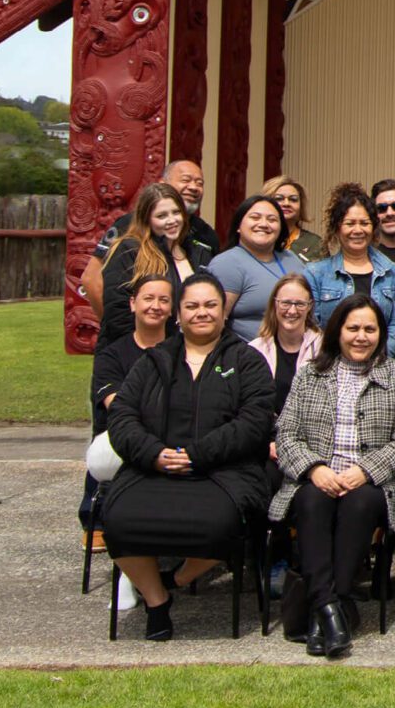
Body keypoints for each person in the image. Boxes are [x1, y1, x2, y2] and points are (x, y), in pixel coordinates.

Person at [99, 273, 275, 642]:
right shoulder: (153, 362)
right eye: (192, 306)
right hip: (153, 469)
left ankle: (176, 579)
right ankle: (156, 600)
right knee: (116, 521)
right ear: (177, 314)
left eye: (210, 305)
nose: (202, 313)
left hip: (224, 472)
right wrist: (155, 454)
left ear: (224, 312)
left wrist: (196, 455)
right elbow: (123, 417)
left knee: (220, 526)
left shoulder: (247, 360)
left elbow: (254, 423)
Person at [268, 294, 395, 658]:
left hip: (374, 485)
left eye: (370, 329)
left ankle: (321, 612)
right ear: (337, 331)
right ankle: (332, 610)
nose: (361, 336)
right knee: (310, 500)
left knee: (359, 503)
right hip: (316, 477)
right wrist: (315, 468)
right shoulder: (310, 374)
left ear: (381, 334)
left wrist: (365, 470)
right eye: (352, 328)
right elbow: (286, 433)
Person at [87, 274, 173, 531]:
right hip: (127, 438)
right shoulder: (112, 355)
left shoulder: (183, 350)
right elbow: (119, 407)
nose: (155, 306)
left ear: (172, 309)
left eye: (163, 300)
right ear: (133, 303)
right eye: (148, 298)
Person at [84, 160, 214, 319]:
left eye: (199, 183)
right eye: (185, 180)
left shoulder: (205, 234)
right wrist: (115, 328)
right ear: (162, 183)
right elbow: (91, 278)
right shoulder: (128, 227)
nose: (193, 187)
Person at [98, 183, 213, 344]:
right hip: (138, 353)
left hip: (186, 351)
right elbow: (117, 312)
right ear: (147, 219)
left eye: (176, 212)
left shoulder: (198, 253)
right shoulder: (129, 251)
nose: (172, 220)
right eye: (161, 216)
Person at [305, 184, 395, 326]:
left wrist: (382, 349)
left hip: (383, 349)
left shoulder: (394, 272)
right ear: (337, 228)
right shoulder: (315, 273)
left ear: (373, 227)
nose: (358, 230)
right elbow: (312, 325)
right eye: (350, 223)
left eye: (364, 223)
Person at [209, 195, 302, 343]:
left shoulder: (291, 259)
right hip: (247, 358)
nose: (264, 224)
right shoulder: (227, 263)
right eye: (255, 217)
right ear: (238, 226)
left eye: (272, 220)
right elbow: (214, 322)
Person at [249, 275, 317, 413]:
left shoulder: (323, 349)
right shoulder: (255, 350)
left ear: (309, 306)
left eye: (299, 304)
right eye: (285, 303)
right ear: (275, 304)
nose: (292, 311)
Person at [266, 175, 325, 261]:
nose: (286, 203)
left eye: (293, 199)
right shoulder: (258, 238)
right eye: (279, 199)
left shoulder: (315, 243)